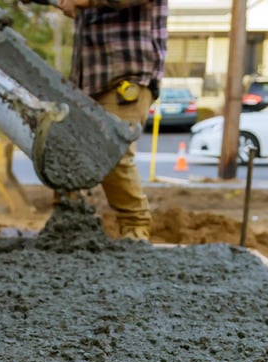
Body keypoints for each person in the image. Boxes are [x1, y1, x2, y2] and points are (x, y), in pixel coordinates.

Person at [57, 0, 168, 241]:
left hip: (126, 76)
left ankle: (135, 232)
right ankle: (68, 231)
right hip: (88, 79)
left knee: (113, 153)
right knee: (66, 153)